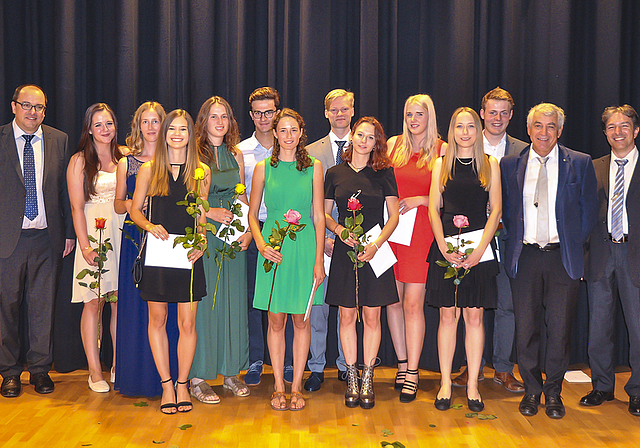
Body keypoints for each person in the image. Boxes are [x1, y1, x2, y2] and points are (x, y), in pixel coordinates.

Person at [501, 103, 598, 419]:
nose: (544, 132)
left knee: (559, 330)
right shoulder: (509, 164)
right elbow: (507, 211)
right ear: (528, 129)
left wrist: (572, 244)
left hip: (562, 259)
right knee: (526, 329)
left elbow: (588, 211)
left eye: (551, 126)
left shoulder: (580, 163)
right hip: (525, 256)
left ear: (560, 130)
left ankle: (554, 393)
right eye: (538, 126)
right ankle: (532, 391)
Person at [130, 109, 209, 414]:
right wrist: (149, 227)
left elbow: (201, 216)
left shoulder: (201, 171)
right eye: (172, 129)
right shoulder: (150, 169)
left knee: (187, 323)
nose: (177, 134)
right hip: (159, 254)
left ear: (191, 134)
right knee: (158, 321)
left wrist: (202, 239)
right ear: (164, 134)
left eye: (183, 129)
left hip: (189, 254)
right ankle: (166, 385)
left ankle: (183, 384)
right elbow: (135, 210)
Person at [0, 84, 75, 398]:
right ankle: (9, 372)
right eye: (27, 105)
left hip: (48, 237)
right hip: (8, 240)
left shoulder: (58, 139)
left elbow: (65, 191)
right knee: (7, 307)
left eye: (40, 107)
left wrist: (69, 232)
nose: (33, 112)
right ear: (14, 106)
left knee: (43, 307)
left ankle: (40, 370)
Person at [248, 108, 325, 411]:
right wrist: (261, 243)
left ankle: (296, 388)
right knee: (276, 320)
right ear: (276, 134)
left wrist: (318, 261)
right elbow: (253, 216)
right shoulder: (263, 168)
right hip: (273, 250)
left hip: (304, 249)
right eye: (283, 130)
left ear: (300, 133)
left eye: (294, 130)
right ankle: (278, 385)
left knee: (301, 321)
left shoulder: (315, 167)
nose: (288, 135)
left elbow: (318, 216)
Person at [426, 107, 501, 413]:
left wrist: (481, 249)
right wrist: (443, 247)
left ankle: (472, 385)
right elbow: (434, 208)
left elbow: (495, 211)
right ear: (452, 130)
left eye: (471, 126)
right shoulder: (441, 164)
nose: (465, 132)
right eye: (460, 126)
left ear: (478, 130)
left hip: (478, 251)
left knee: (474, 318)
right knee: (447, 317)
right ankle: (445, 382)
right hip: (447, 250)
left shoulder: (490, 165)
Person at [453, 87, 527, 392]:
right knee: (471, 305)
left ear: (511, 116)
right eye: (491, 112)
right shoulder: (465, 144)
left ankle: (503, 368)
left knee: (507, 306)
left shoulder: (524, 150)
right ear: (481, 114)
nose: (496, 118)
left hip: (509, 239)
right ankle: (473, 368)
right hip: (470, 238)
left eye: (503, 112)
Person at [324, 116, 400, 410]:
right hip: (346, 252)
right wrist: (340, 230)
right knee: (345, 316)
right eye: (360, 135)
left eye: (371, 137)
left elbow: (393, 216)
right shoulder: (334, 173)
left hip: (374, 250)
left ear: (376, 144)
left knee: (371, 316)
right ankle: (352, 375)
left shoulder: (384, 173)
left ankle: (368, 377)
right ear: (352, 137)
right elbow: (325, 214)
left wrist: (377, 244)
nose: (364, 141)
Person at [114, 101, 180, 397]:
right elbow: (118, 204)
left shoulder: (180, 159)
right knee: (140, 309)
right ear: (137, 126)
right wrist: (139, 207)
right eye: (146, 122)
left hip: (170, 240)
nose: (151, 127)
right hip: (137, 239)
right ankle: (136, 378)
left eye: (157, 121)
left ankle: (172, 379)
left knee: (169, 311)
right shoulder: (126, 161)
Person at [189, 96, 252, 403]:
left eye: (224, 116)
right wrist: (210, 212)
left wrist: (250, 231)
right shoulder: (194, 155)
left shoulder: (236, 154)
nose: (219, 122)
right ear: (204, 121)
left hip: (234, 234)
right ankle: (199, 377)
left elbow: (242, 197)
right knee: (207, 305)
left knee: (233, 302)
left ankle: (231, 372)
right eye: (213, 116)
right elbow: (190, 199)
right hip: (208, 234)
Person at [582, 105, 640, 417]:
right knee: (598, 326)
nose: (618, 132)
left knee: (638, 328)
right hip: (602, 256)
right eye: (612, 127)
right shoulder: (593, 167)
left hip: (636, 256)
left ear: (636, 129)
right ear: (605, 133)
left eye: (624, 126)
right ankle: (602, 386)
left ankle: (638, 391)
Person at [386, 94, 445, 402]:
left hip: (422, 232)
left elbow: (452, 194)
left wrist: (422, 201)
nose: (413, 119)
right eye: (409, 114)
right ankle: (401, 363)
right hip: (394, 232)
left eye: (419, 114)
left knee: (413, 303)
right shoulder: (393, 145)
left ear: (429, 116)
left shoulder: (442, 148)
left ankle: (413, 371)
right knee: (393, 301)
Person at [67, 103, 126, 393]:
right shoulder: (79, 161)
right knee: (93, 303)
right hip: (94, 237)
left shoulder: (125, 155)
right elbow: (77, 208)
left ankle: (118, 363)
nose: (105, 130)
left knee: (120, 303)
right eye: (99, 124)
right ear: (89, 128)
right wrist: (86, 246)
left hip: (122, 236)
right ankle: (94, 369)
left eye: (110, 124)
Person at [238, 87, 294, 386]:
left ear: (277, 113)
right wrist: (251, 234)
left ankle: (284, 362)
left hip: (288, 234)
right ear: (251, 115)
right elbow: (241, 197)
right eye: (258, 112)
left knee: (283, 300)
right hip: (254, 233)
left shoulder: (291, 149)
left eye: (269, 112)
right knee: (254, 301)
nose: (263, 118)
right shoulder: (241, 151)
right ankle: (256, 360)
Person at [304, 88, 352, 392]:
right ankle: (317, 366)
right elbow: (309, 200)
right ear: (325, 113)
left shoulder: (365, 148)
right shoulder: (309, 152)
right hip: (319, 241)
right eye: (334, 109)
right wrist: (323, 240)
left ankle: (347, 365)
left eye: (344, 109)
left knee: (348, 308)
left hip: (351, 242)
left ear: (352, 111)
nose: (339, 114)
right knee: (318, 309)